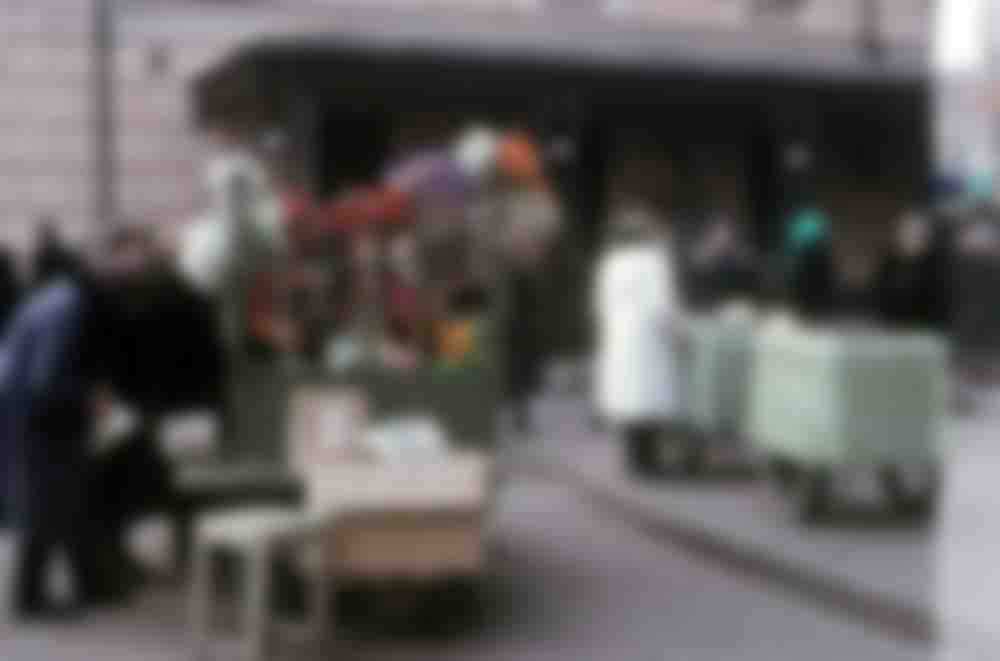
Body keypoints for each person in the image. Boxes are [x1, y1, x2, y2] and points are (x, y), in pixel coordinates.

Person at [0, 227, 156, 620]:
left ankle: (84, 586)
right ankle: (31, 599)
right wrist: (89, 397)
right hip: (37, 415)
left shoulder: (63, 298)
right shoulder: (70, 308)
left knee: (64, 500)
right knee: (46, 503)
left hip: (33, 410)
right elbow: (45, 379)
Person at [593, 204, 683, 477]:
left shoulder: (611, 264)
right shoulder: (654, 262)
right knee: (649, 404)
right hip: (648, 341)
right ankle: (650, 463)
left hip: (620, 339)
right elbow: (661, 306)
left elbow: (600, 304)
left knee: (631, 403)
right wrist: (678, 332)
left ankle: (633, 461)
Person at [875, 210, 954, 333]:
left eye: (915, 232)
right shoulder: (889, 264)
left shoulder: (938, 267)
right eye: (905, 231)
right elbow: (881, 300)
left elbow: (941, 308)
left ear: (926, 236)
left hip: (926, 332)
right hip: (892, 330)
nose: (909, 236)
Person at [685, 213, 760, 311]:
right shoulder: (702, 253)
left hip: (735, 305)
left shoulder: (739, 254)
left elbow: (750, 262)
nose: (723, 237)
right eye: (719, 232)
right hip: (707, 306)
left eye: (727, 232)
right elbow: (696, 263)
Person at [784, 205, 837, 323]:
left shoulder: (809, 220)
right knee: (810, 286)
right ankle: (811, 311)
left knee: (809, 286)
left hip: (810, 260)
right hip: (811, 260)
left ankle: (809, 311)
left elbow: (794, 241)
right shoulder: (815, 220)